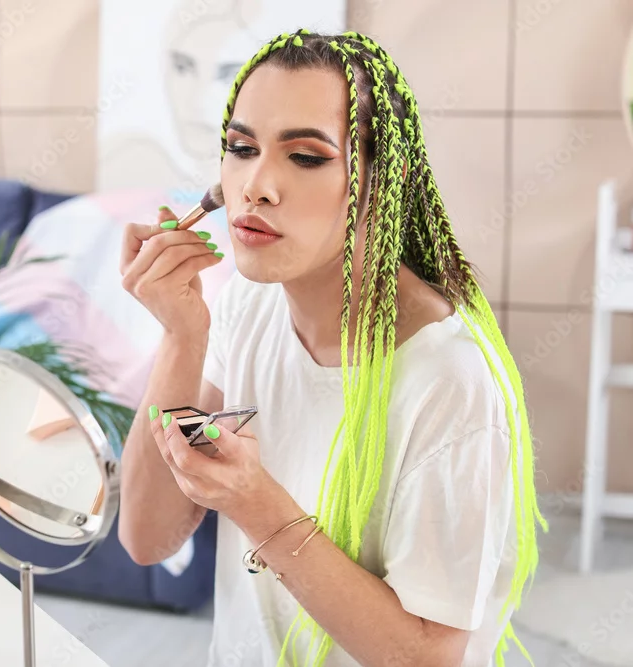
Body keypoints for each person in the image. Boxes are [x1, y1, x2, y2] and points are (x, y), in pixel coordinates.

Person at [117, 28, 546, 667]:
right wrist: (182, 335)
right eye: (241, 148)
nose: (256, 185)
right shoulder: (246, 306)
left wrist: (255, 503)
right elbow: (148, 537)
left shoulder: (449, 382)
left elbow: (428, 658)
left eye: (306, 157)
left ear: (383, 179)